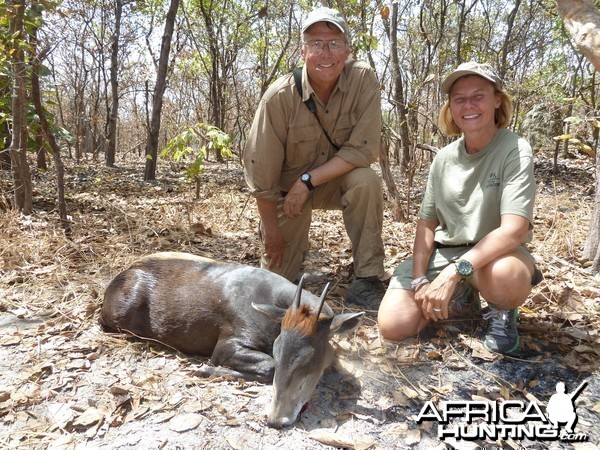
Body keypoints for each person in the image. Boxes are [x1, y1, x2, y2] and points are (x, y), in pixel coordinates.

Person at [377, 61, 543, 354]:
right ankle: (462, 297)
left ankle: (501, 313)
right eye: (459, 99)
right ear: (450, 108)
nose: (469, 105)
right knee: (394, 327)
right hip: (447, 251)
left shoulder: (514, 149)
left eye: (478, 95)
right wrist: (419, 280)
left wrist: (452, 274)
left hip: (495, 255)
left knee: (506, 276)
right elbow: (426, 224)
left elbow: (513, 231)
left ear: (496, 101)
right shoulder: (443, 158)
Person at [244, 7, 386, 308]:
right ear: (303, 50)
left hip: (333, 182)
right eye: (316, 44)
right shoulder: (279, 97)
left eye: (334, 43)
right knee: (273, 288)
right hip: (286, 194)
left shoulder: (363, 81)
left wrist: (307, 181)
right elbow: (262, 176)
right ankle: (286, 258)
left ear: (347, 50)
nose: (326, 53)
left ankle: (367, 279)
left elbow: (364, 149)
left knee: (366, 180)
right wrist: (272, 234)